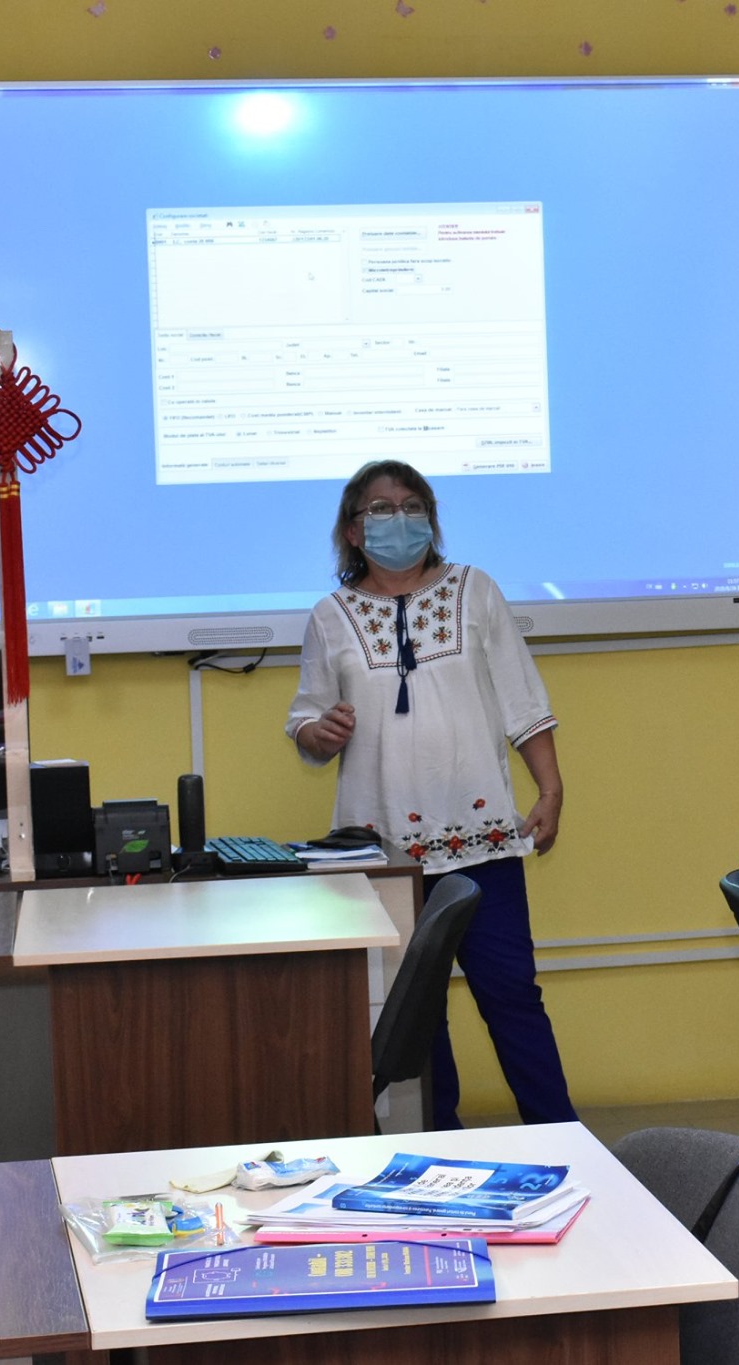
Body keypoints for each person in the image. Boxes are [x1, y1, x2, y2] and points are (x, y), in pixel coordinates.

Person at [287, 460, 577, 1129]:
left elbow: (523, 702)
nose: (399, 518)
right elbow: (306, 722)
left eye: (412, 505)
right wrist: (318, 732)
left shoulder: (476, 591)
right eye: (381, 508)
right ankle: (441, 1145)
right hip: (385, 857)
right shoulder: (330, 616)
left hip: (484, 845)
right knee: (417, 1014)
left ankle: (561, 1136)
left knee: (512, 997)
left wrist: (551, 788)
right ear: (353, 530)